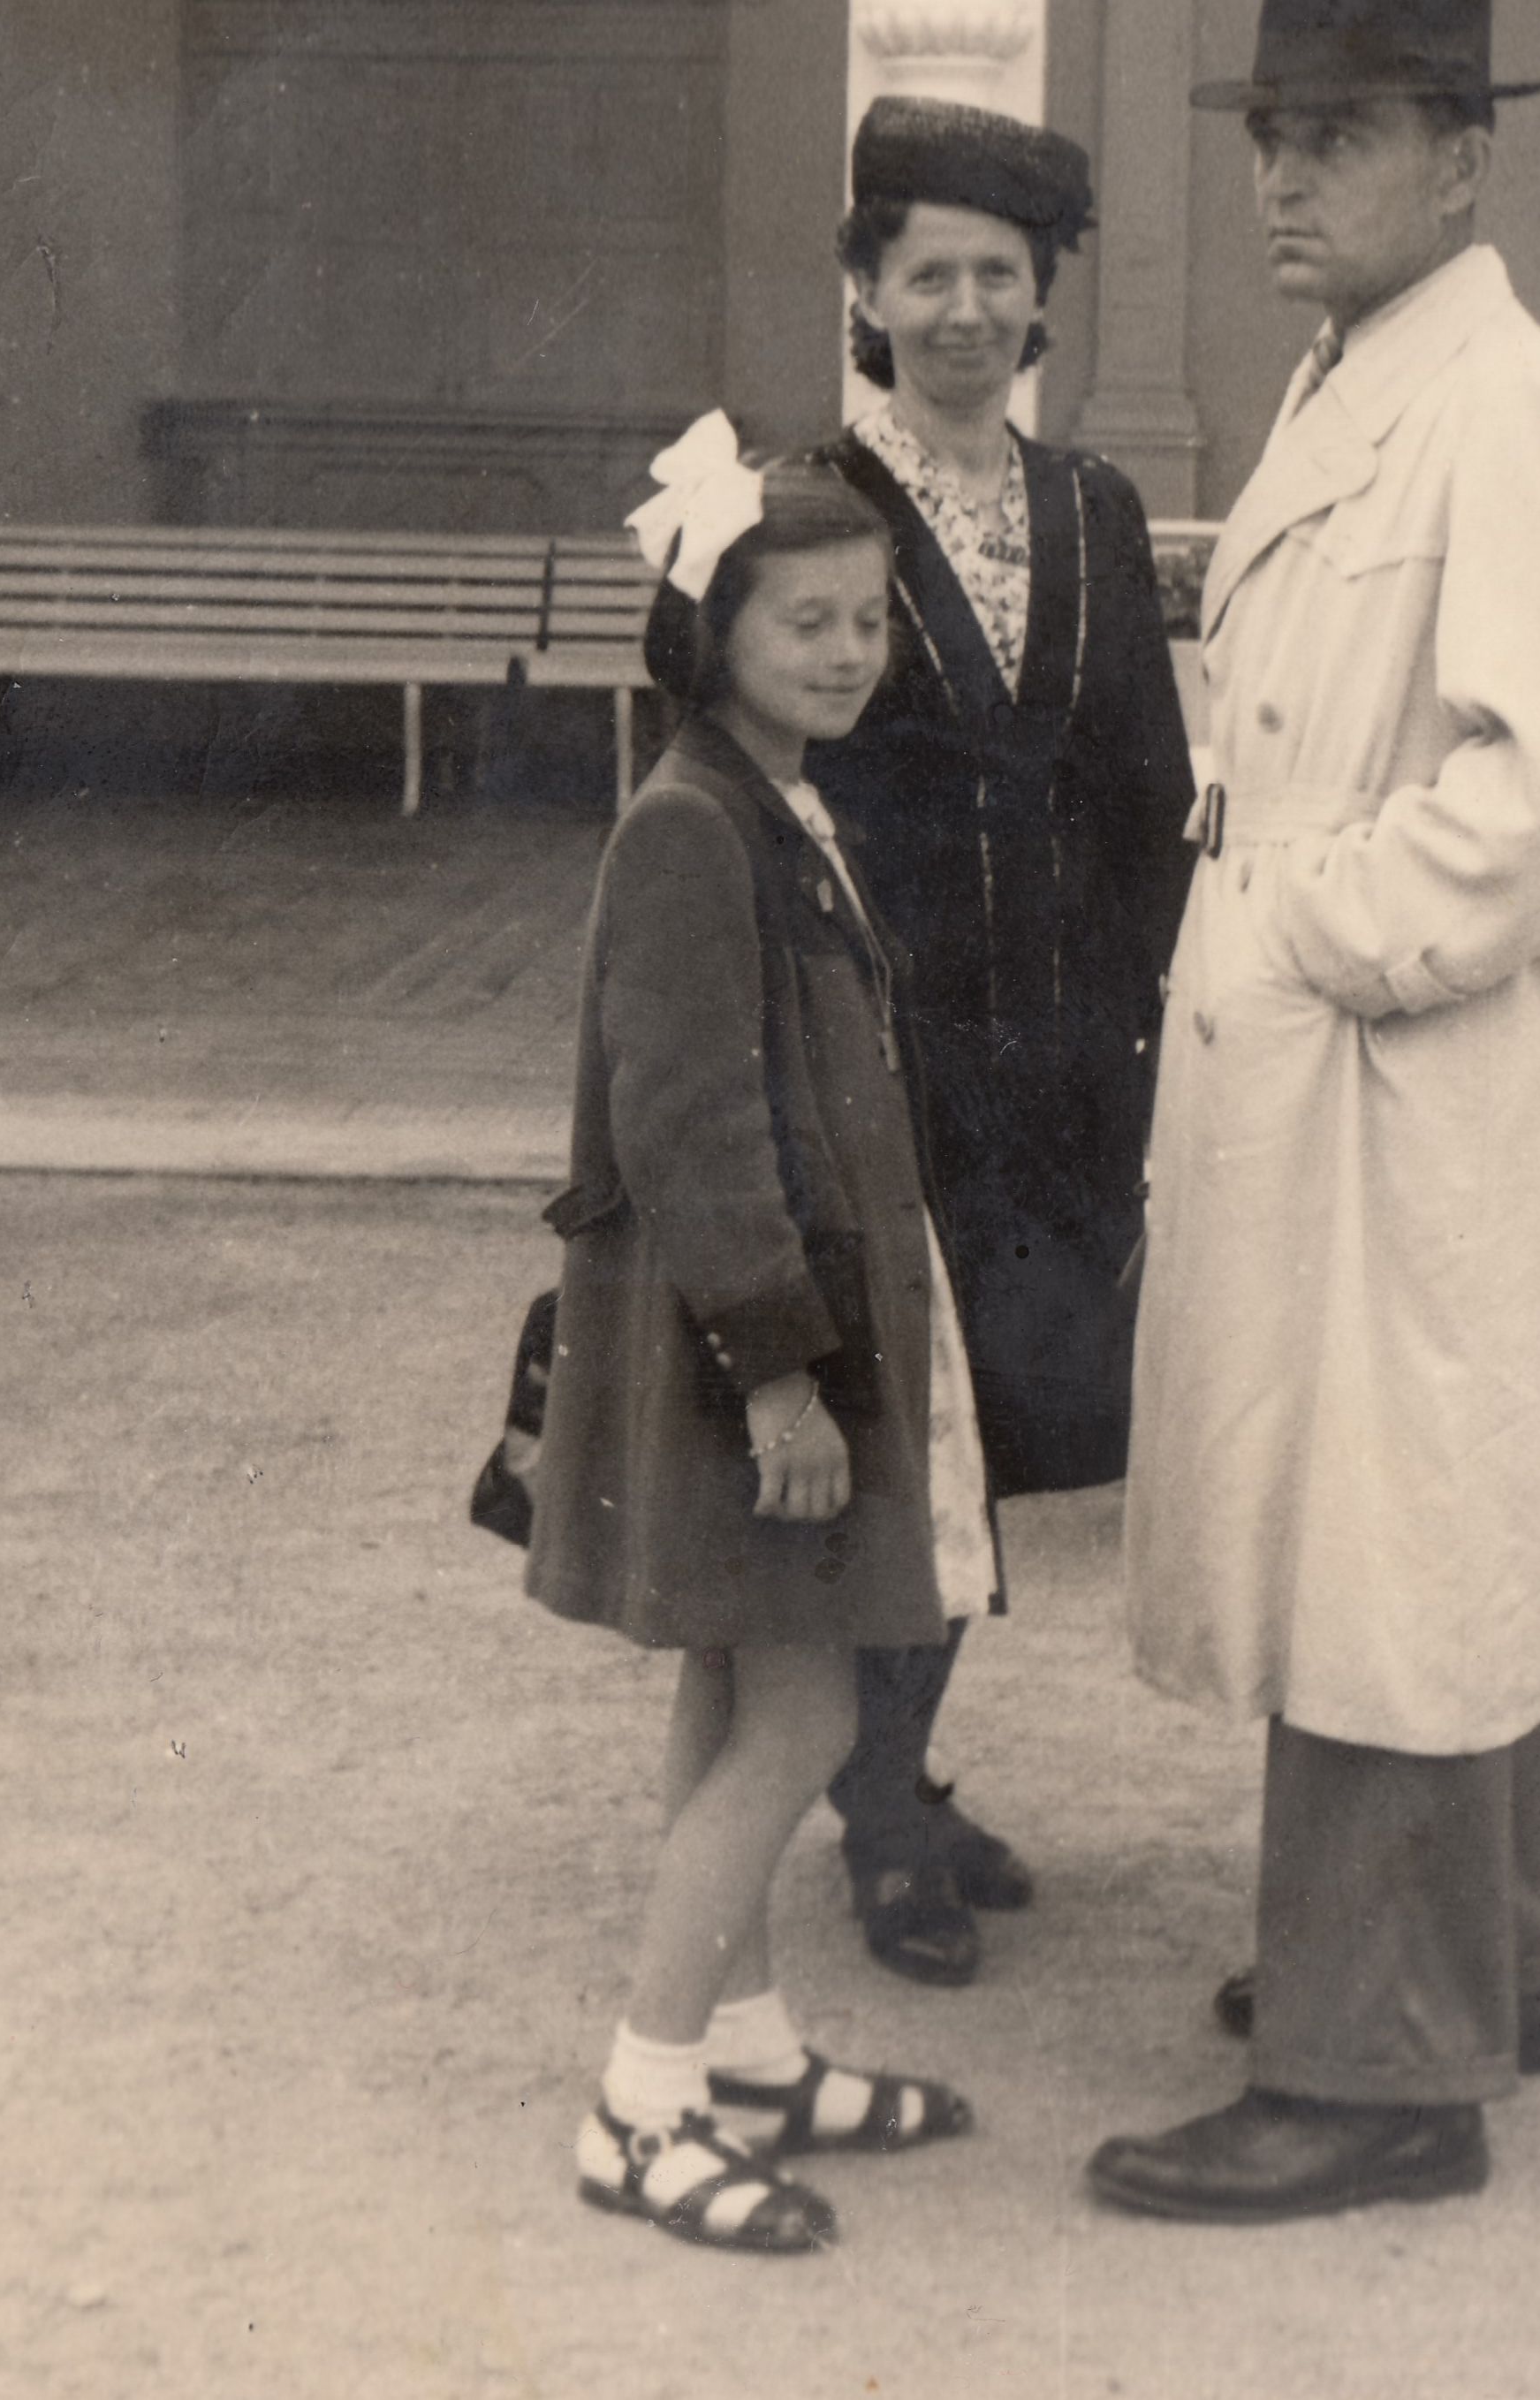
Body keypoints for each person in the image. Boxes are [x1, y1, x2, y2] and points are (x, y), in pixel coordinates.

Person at [1088, 0, 1540, 2223]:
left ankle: (1381, 2067)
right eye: (1268, 135)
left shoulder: (1512, 403)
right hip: (1322, 1041)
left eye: (1333, 135)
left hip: (1400, 1044)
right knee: (1401, 1496)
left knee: (1391, 1521)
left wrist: (1318, 922)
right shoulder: (1354, 384)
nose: (1281, 180)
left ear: (1459, 158)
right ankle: (1506, 1957)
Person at [522, 418, 994, 2255]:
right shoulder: (690, 824)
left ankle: (744, 2050)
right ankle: (641, 2106)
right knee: (807, 1703)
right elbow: (690, 1123)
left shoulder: (775, 800)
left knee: (737, 1689)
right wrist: (783, 1372)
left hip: (768, 1342)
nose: (849, 652)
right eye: (805, 621)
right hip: (751, 1359)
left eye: (869, 619)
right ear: (709, 633)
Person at [808, 98, 1196, 1986]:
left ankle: (892, 1770)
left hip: (1056, 1073)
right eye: (928, 275)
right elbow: (733, 764)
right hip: (877, 1062)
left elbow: (1146, 790)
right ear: (868, 293)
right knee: (893, 1436)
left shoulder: (1092, 509)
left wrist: (1152, 1035)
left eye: (999, 276)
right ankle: (878, 1812)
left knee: (997, 1432)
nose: (964, 310)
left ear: (1041, 300)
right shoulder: (801, 508)